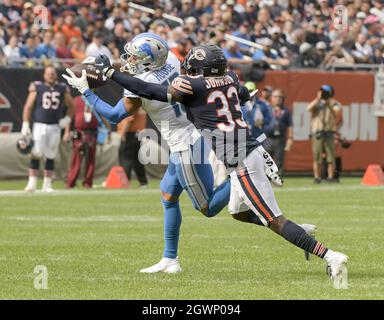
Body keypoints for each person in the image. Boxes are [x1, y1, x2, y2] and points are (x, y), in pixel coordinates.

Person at [90, 44, 348, 287]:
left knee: (275, 221)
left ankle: (329, 255)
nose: (187, 70)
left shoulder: (194, 86)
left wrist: (111, 72)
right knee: (238, 212)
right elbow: (244, 93)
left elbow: (150, 90)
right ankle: (299, 233)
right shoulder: (232, 78)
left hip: (241, 161)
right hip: (243, 152)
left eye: (192, 67)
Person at [63, 33, 234, 273]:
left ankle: (242, 178)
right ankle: (170, 259)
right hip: (188, 137)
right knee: (168, 195)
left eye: (135, 56)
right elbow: (141, 72)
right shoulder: (173, 60)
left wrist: (86, 91)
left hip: (186, 145)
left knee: (207, 207)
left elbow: (114, 115)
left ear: (147, 60)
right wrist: (110, 66)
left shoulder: (142, 85)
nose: (130, 58)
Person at [21, 65, 75, 192]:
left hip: (55, 126)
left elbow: (72, 106)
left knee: (50, 155)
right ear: (44, 75)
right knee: (36, 153)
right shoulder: (38, 87)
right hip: (39, 125)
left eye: (53, 73)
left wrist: (67, 119)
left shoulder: (62, 88)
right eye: (48, 73)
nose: (51, 76)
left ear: (56, 75)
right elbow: (28, 106)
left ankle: (47, 184)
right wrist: (25, 124)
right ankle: (32, 183)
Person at [66, 95, 109, 189]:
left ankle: (88, 183)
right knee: (76, 159)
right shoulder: (76, 100)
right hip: (79, 133)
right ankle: (71, 182)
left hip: (92, 133)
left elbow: (102, 116)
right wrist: (66, 132)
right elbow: (70, 117)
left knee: (91, 159)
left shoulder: (95, 100)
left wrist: (108, 130)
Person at [307, 85, 342, 184]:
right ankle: (317, 177)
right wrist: (318, 99)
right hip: (318, 131)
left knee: (330, 156)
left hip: (329, 131)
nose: (324, 94)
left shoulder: (335, 103)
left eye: (326, 92)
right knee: (317, 155)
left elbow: (336, 114)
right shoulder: (317, 103)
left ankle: (330, 177)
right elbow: (308, 108)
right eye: (322, 92)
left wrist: (328, 104)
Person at [264, 89, 293, 177]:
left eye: (280, 97)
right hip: (267, 138)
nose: (278, 99)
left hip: (280, 139)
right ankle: (265, 179)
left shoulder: (286, 111)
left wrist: (290, 139)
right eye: (275, 97)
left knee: (279, 160)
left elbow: (290, 125)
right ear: (271, 98)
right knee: (265, 159)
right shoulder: (266, 109)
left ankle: (278, 178)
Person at [117, 109, 148, 187]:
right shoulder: (142, 109)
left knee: (125, 158)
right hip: (138, 135)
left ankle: (125, 181)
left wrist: (123, 133)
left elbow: (129, 120)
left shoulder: (135, 107)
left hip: (130, 134)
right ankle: (143, 182)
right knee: (137, 160)